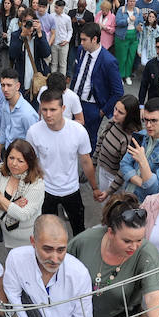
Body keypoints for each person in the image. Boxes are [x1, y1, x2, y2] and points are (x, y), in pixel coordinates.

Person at [68, 194, 159, 317]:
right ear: (110, 232)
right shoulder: (85, 241)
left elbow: (153, 294)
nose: (134, 247)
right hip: (86, 305)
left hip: (122, 310)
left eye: (139, 239)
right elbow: (64, 267)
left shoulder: (147, 254)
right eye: (127, 240)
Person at [2, 215, 92, 317]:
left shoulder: (79, 274)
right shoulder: (16, 259)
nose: (55, 259)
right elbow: (14, 295)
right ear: (33, 242)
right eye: (47, 249)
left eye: (61, 250)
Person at [27, 89, 103, 237]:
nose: (48, 115)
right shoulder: (33, 132)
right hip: (46, 190)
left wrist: (94, 187)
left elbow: (86, 162)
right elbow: (32, 161)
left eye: (53, 110)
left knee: (79, 229)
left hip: (72, 190)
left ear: (63, 109)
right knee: (48, 231)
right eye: (44, 110)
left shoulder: (78, 131)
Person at [0, 138, 48, 251]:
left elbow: (23, 215)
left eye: (20, 161)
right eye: (11, 158)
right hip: (5, 232)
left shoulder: (37, 184)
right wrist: (12, 205)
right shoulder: (0, 169)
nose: (14, 164)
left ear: (30, 162)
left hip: (28, 240)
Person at [116, 98, 159, 201]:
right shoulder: (141, 135)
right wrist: (142, 182)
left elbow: (154, 188)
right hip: (126, 194)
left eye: (154, 120)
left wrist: (142, 161)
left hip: (144, 204)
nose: (148, 125)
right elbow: (124, 164)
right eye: (145, 120)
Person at [73, 22, 124, 149]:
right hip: (75, 100)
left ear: (95, 39)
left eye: (84, 40)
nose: (81, 43)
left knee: (89, 138)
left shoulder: (109, 61)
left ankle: (88, 166)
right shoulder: (81, 51)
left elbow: (118, 91)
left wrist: (102, 111)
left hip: (92, 106)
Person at [93, 94, 142, 197]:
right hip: (103, 170)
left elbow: (124, 169)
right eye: (115, 109)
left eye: (120, 112)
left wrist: (109, 191)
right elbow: (101, 141)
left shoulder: (130, 138)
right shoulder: (114, 121)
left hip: (114, 179)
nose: (114, 114)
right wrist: (94, 163)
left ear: (130, 115)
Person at [0, 67, 40, 163]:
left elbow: (35, 143)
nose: (5, 89)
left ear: (17, 86)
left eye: (9, 85)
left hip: (22, 160)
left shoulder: (27, 114)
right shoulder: (5, 105)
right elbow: (3, 127)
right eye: (2, 85)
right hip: (7, 154)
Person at [47, 0, 73, 79]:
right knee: (54, 63)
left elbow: (70, 30)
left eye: (57, 7)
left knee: (62, 64)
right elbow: (49, 29)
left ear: (62, 8)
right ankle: (53, 80)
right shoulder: (51, 16)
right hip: (54, 43)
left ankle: (62, 81)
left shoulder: (67, 18)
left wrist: (67, 40)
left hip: (64, 44)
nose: (55, 9)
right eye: (55, 7)